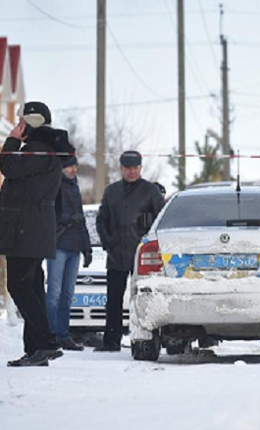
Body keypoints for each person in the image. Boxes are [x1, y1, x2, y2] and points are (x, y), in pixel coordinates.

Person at [0, 101, 74, 366]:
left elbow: (7, 167)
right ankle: (35, 350)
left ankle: (46, 342)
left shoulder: (38, 150)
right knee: (32, 288)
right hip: (34, 228)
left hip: (25, 228)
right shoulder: (46, 149)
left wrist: (10, 142)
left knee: (19, 286)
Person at [95, 150, 165, 351]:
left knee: (146, 298)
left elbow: (161, 221)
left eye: (135, 168)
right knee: (113, 300)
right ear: (121, 169)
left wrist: (150, 244)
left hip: (143, 256)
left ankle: (148, 339)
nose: (132, 172)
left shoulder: (150, 191)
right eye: (128, 168)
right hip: (116, 254)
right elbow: (102, 220)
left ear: (140, 168)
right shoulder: (111, 191)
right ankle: (111, 342)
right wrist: (107, 242)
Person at [46, 156, 92, 351]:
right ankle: (50, 335)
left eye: (74, 165)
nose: (73, 169)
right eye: (69, 166)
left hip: (74, 247)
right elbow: (48, 214)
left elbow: (81, 220)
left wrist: (87, 247)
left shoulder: (75, 186)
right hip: (57, 246)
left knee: (67, 294)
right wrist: (67, 218)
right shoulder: (54, 185)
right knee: (54, 294)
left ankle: (64, 334)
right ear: (62, 168)